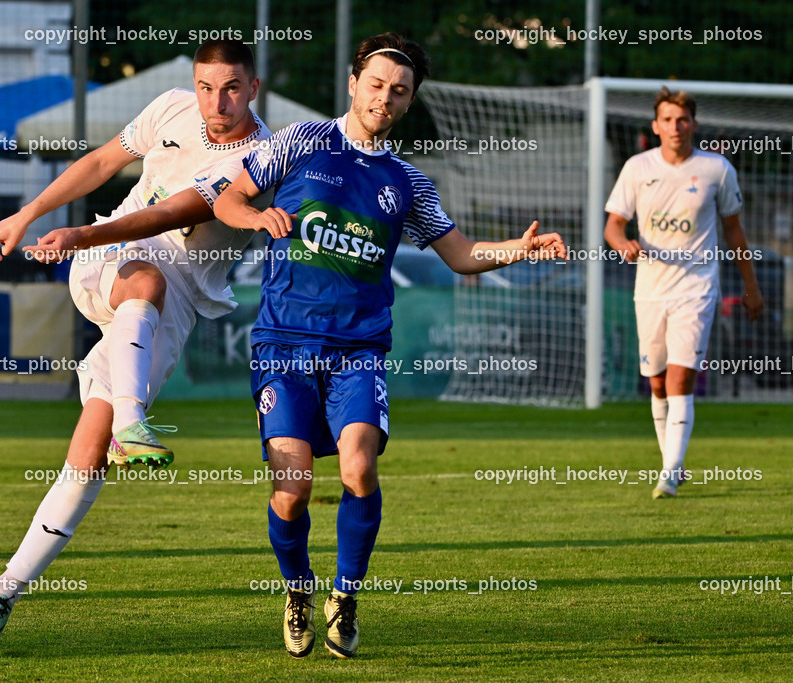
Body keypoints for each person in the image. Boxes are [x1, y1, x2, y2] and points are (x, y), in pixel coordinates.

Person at [214, 32, 566, 659]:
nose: (384, 98)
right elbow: (229, 197)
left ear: (409, 101)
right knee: (292, 491)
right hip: (283, 346)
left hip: (359, 350)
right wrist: (257, 216)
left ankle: (345, 597)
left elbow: (460, 255)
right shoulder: (300, 141)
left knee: (358, 468)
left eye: (398, 91)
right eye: (375, 84)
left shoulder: (407, 182)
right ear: (354, 84)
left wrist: (518, 249)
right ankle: (297, 590)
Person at [0, 38, 270, 654]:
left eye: (232, 88)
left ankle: (3, 593)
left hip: (174, 303)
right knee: (146, 278)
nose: (217, 102)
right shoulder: (172, 106)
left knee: (87, 458)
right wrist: (29, 215)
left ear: (253, 88)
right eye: (207, 87)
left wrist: (77, 233)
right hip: (111, 253)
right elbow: (103, 162)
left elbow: (182, 212)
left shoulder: (263, 157)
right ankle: (134, 422)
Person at [604, 86, 763, 500]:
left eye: (683, 119)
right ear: (656, 126)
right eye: (668, 120)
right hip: (650, 290)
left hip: (697, 289)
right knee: (657, 382)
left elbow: (734, 231)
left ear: (693, 124)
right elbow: (614, 225)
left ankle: (670, 474)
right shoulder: (638, 167)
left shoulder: (717, 169)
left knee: (680, 377)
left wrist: (751, 286)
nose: (676, 127)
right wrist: (623, 244)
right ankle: (671, 462)